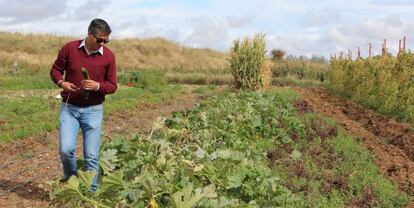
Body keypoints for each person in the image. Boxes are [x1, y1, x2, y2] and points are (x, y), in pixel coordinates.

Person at [50, 18, 117, 192]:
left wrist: (97, 86)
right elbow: (56, 70)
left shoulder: (108, 56)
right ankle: (72, 183)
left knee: (92, 156)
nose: (102, 43)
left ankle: (91, 191)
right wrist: (61, 83)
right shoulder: (70, 48)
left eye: (106, 40)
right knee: (66, 150)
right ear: (89, 34)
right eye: (99, 39)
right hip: (69, 107)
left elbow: (112, 85)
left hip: (94, 110)